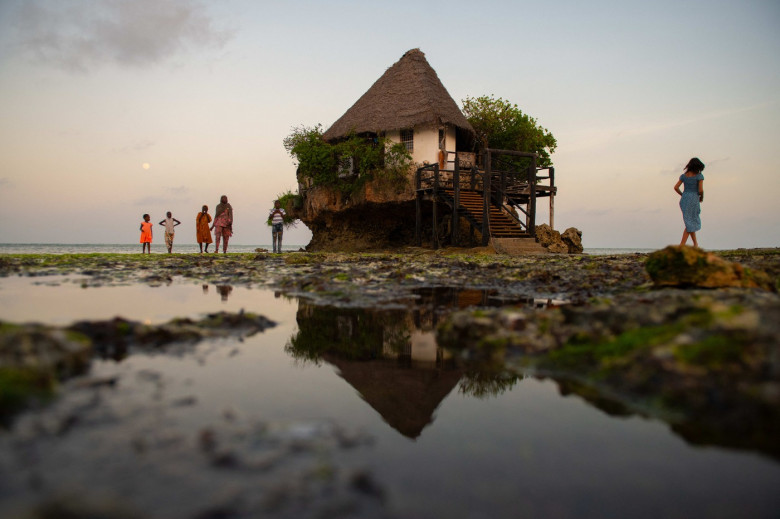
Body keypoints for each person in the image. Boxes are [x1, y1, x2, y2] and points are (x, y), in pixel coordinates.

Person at [674, 157, 705, 247]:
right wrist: (701, 198)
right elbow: (701, 190)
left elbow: (676, 187)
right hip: (694, 198)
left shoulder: (684, 176)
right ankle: (682, 245)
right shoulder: (699, 176)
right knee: (690, 222)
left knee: (689, 222)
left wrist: (683, 195)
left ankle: (695, 244)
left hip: (684, 199)